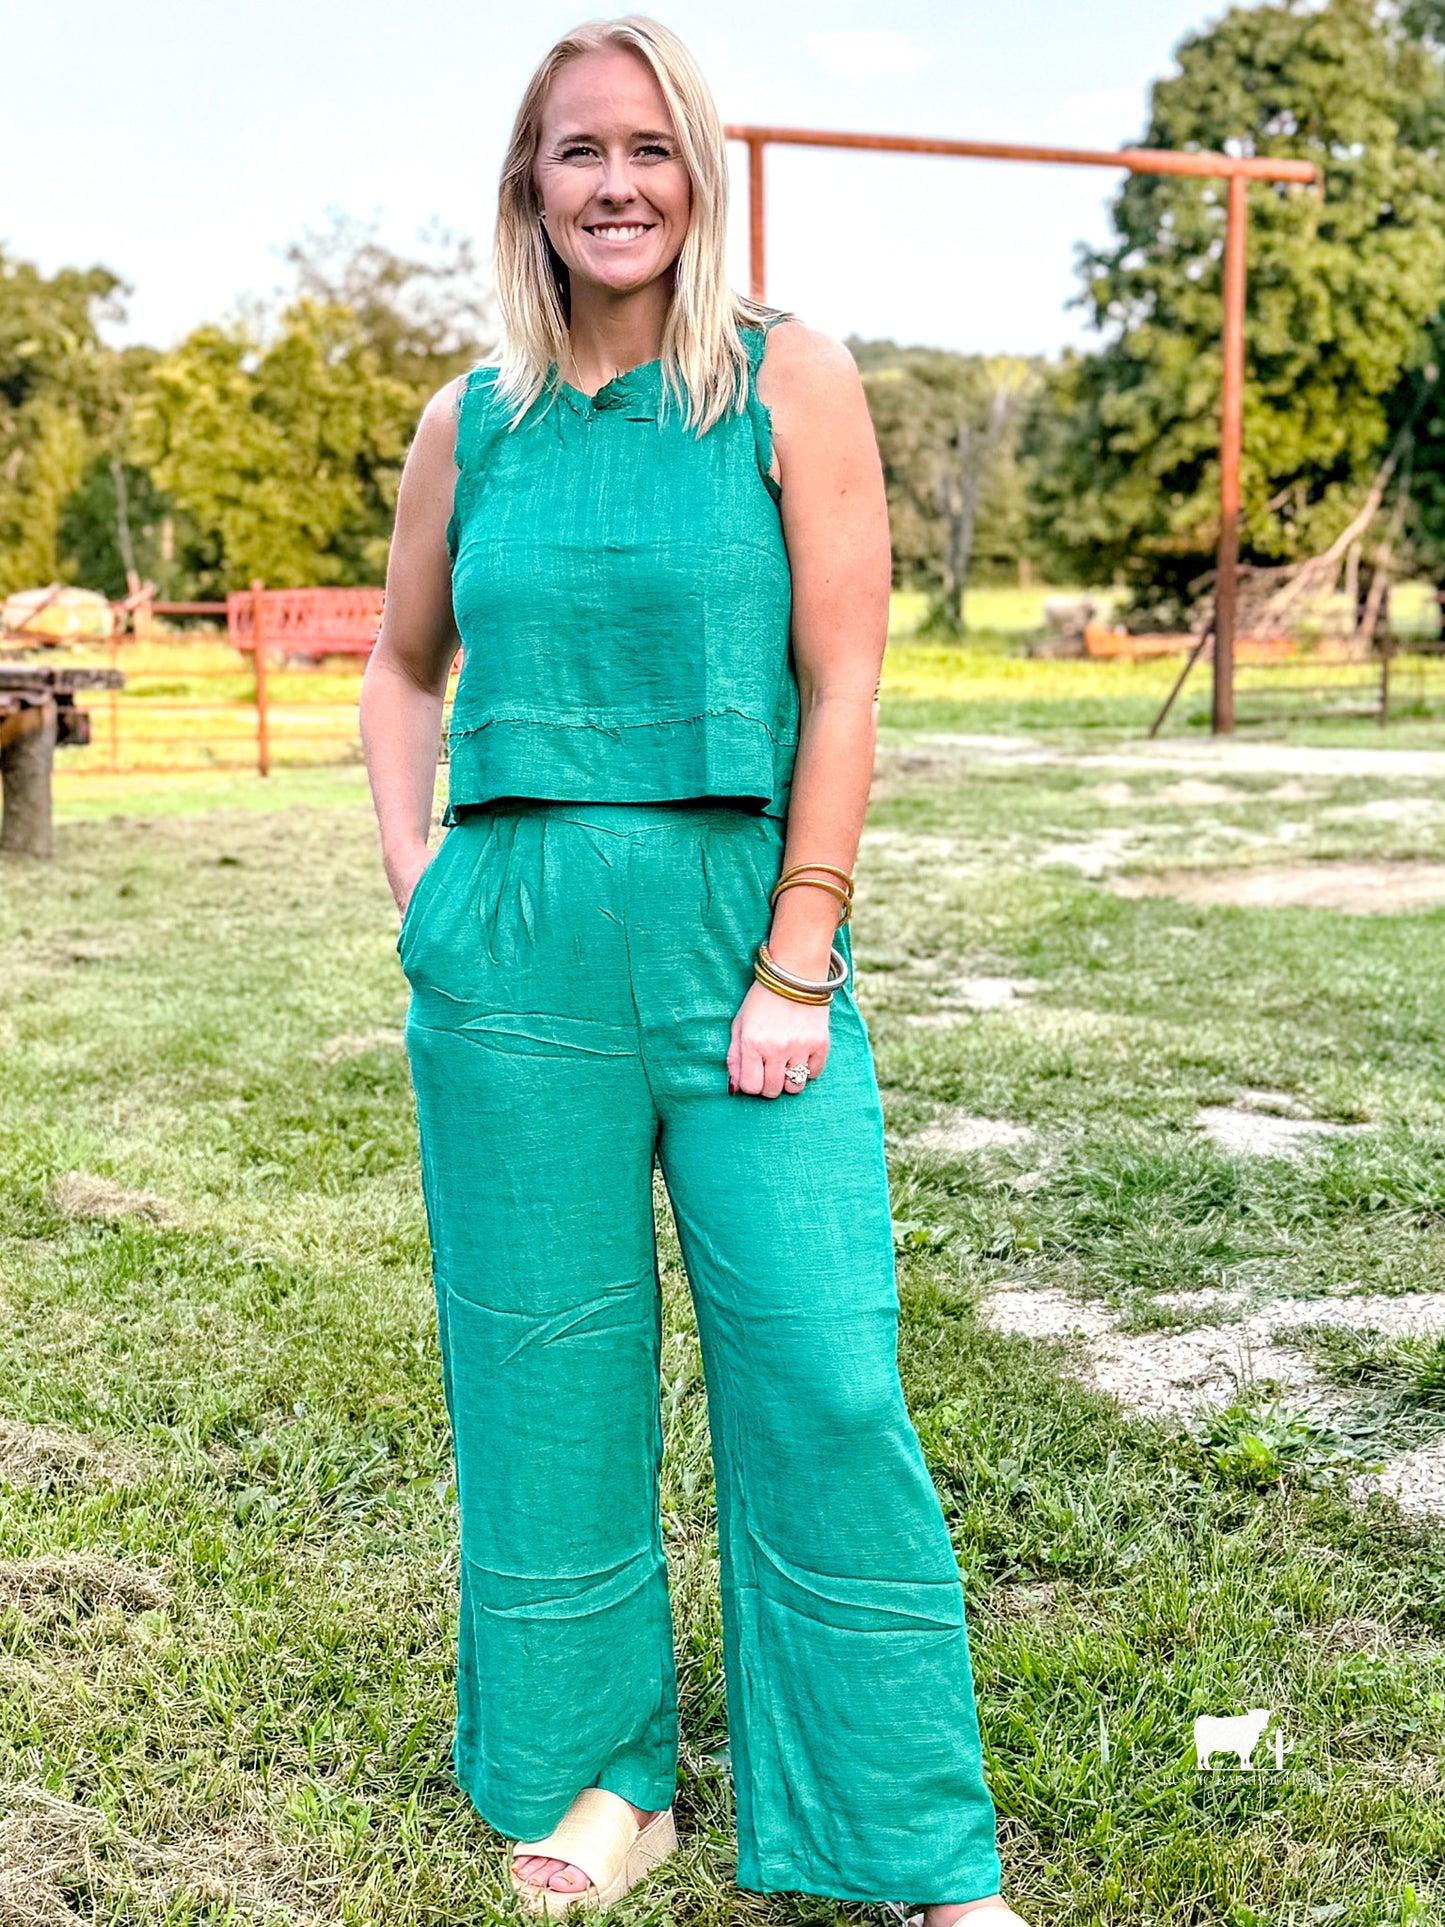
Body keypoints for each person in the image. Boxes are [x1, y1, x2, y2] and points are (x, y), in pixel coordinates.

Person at [359, 15, 1029, 1925]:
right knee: (541, 1375)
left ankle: (903, 1841)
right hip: (510, 959)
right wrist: (424, 890)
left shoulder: (782, 379)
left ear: (701, 173)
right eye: (579, 152)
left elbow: (845, 672)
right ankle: (601, 1780)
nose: (619, 183)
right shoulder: (468, 420)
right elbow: (404, 672)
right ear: (528, 188)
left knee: (821, 1374)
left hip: (744, 927)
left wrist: (801, 951)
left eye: (651, 148)